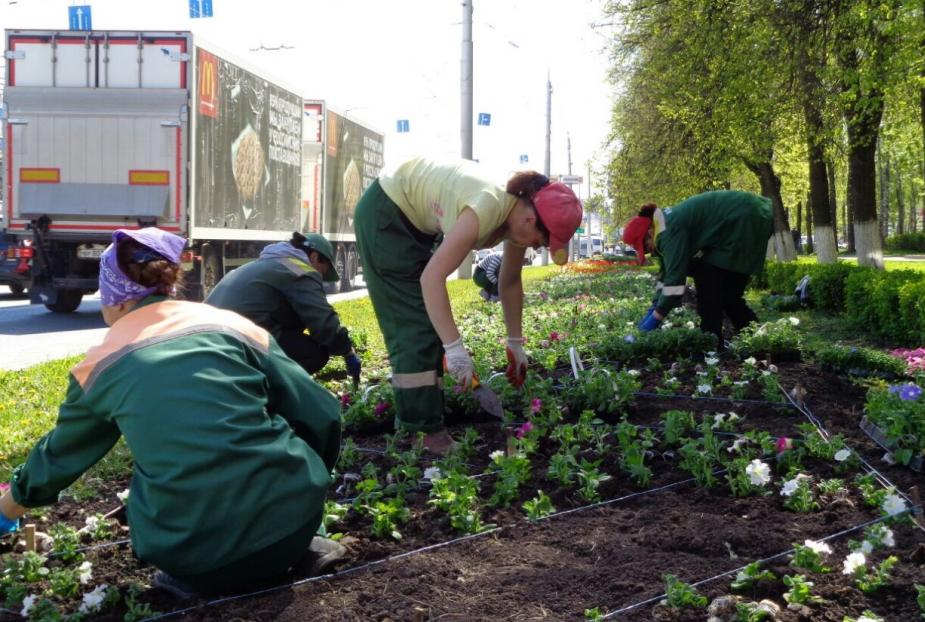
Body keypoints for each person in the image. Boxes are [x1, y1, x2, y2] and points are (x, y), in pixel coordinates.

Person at [0, 228, 344, 597]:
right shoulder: (235, 327)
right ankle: (302, 544)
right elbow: (322, 412)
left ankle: (203, 578)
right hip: (292, 524)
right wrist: (306, 489)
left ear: (113, 297)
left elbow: (59, 458)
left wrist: (7, 509)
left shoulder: (99, 366)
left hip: (192, 554)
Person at [354, 157, 582, 454]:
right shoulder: (487, 206)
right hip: (386, 215)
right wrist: (455, 348)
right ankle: (424, 432)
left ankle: (423, 417)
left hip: (411, 220)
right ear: (530, 220)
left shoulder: (516, 214)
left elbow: (509, 280)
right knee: (415, 325)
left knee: (432, 322)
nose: (536, 247)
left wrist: (515, 343)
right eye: (540, 241)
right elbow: (432, 279)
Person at [622, 190, 774, 346]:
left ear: (649, 232)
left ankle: (712, 341)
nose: (649, 252)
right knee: (725, 292)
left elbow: (675, 281)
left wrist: (656, 317)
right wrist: (654, 306)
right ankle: (755, 340)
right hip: (747, 216)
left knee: (710, 282)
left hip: (743, 219)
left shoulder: (666, 232)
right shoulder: (663, 224)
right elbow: (666, 275)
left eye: (646, 248)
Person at [206, 232, 362, 379]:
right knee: (316, 353)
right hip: (238, 340)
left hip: (208, 336)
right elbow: (323, 324)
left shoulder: (270, 262)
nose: (320, 278)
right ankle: (266, 391)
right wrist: (347, 352)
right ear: (314, 257)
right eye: (323, 271)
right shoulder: (301, 270)